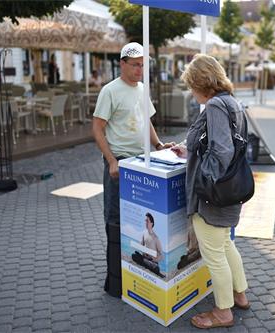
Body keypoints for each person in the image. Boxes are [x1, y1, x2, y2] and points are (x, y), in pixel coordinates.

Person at [171, 54, 249, 329]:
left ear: (200, 82)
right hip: (230, 191)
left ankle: (223, 312)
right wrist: (189, 149)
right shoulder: (232, 103)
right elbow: (221, 144)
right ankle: (239, 295)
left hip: (214, 196)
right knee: (225, 245)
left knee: (214, 255)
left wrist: (204, 181)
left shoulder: (215, 106)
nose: (191, 93)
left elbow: (223, 151)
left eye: (191, 85)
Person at [92, 42, 174, 296]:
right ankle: (115, 281)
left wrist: (158, 145)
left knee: (139, 222)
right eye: (135, 64)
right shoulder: (110, 91)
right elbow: (97, 127)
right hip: (120, 165)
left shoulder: (142, 89)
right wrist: (111, 160)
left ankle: (136, 273)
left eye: (143, 64)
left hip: (142, 164)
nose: (140, 69)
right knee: (115, 219)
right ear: (122, 64)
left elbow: (145, 120)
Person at [132, 213, 165, 278]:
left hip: (153, 262)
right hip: (145, 258)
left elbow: (161, 255)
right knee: (134, 255)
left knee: (155, 267)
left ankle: (146, 263)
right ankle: (145, 263)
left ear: (151, 223)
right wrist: (138, 248)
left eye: (147, 221)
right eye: (145, 221)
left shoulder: (156, 238)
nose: (146, 222)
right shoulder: (144, 233)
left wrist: (154, 259)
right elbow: (141, 246)